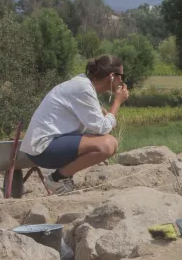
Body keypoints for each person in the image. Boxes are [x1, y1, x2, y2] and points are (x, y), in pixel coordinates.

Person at [21, 54, 128, 195]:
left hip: (45, 145)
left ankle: (62, 178)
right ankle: (57, 179)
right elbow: (103, 128)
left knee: (106, 143)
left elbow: (95, 125)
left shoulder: (82, 85)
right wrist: (117, 102)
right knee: (108, 144)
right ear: (112, 76)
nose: (122, 81)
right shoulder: (83, 88)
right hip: (43, 148)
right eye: (122, 76)